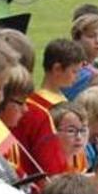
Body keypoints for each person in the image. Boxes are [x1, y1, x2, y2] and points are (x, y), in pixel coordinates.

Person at [11, 39, 86, 176]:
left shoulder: (59, 97)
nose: (77, 76)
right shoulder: (40, 107)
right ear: (57, 68)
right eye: (74, 71)